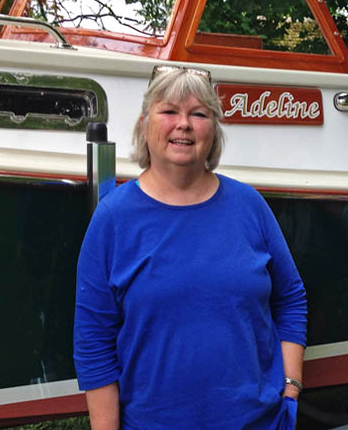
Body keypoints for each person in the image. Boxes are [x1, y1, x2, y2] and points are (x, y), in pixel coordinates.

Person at [73, 67, 307, 429]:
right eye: (169, 111)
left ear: (214, 130)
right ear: (144, 124)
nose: (183, 124)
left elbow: (290, 298)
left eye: (198, 114)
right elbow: (93, 341)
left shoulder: (249, 205)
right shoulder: (113, 219)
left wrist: (290, 388)